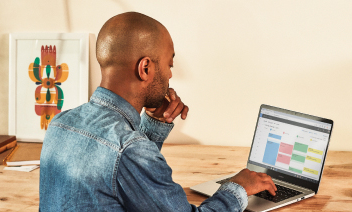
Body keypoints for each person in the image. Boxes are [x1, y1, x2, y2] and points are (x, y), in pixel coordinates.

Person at [39, 12, 276, 212]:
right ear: (145, 68)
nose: (171, 75)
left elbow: (132, 186)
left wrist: (153, 125)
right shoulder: (129, 150)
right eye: (169, 65)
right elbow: (127, 158)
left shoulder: (60, 124)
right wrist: (238, 188)